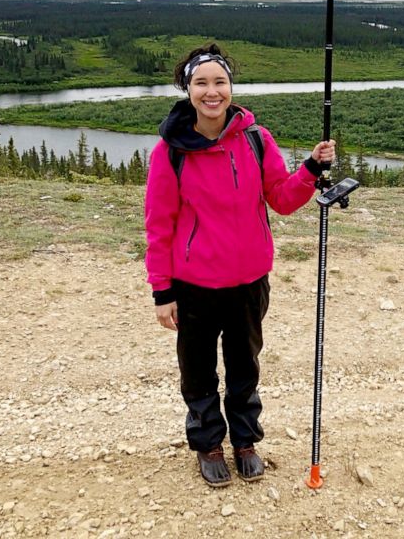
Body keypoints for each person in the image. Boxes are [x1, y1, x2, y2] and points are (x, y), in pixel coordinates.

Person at [144, 43, 334, 488]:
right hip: (193, 284)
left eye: (220, 82)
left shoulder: (255, 138)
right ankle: (208, 444)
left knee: (244, 365)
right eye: (201, 83)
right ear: (187, 89)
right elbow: (159, 226)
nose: (212, 92)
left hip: (249, 279)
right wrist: (162, 291)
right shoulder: (169, 151)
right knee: (198, 370)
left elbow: (283, 199)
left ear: (231, 87)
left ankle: (245, 441)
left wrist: (308, 169)